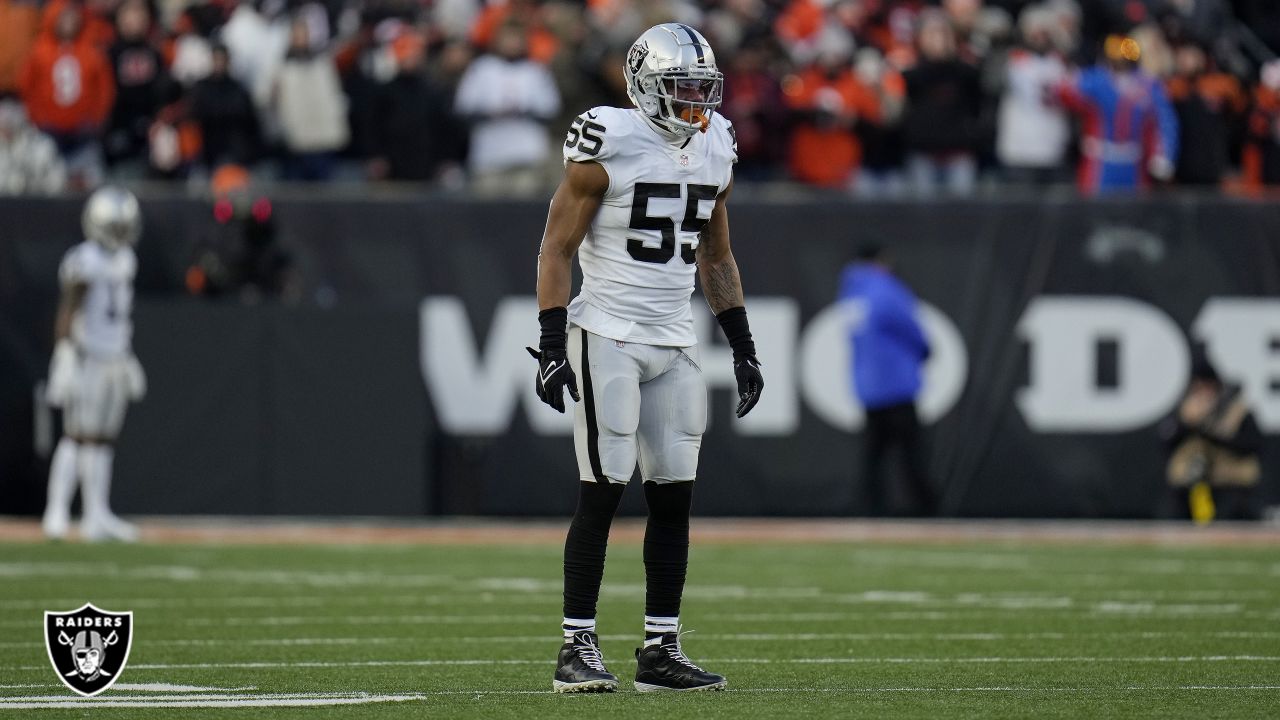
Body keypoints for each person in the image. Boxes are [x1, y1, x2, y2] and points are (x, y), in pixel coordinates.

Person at [530, 23, 762, 694]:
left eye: (702, 89)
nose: (696, 104)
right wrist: (551, 341)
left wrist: (741, 343)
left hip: (675, 338)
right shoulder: (609, 137)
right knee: (602, 491)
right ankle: (577, 645)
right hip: (608, 332)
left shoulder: (716, 144)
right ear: (643, 86)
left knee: (673, 500)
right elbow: (556, 247)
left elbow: (715, 255)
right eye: (681, 89)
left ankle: (661, 648)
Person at [43, 186, 147, 542]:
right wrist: (65, 353)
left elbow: (121, 317)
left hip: (114, 356)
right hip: (86, 355)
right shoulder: (84, 260)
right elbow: (68, 309)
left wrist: (127, 353)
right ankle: (56, 511)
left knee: (103, 439)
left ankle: (95, 515)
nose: (121, 234)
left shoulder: (127, 259)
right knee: (77, 434)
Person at [838, 244, 936, 517]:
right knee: (911, 453)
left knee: (874, 456)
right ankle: (928, 509)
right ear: (880, 261)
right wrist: (926, 351)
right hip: (897, 385)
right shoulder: (887, 290)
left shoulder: (851, 295)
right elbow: (911, 329)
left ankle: (871, 508)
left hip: (869, 388)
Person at [1159, 358, 1262, 522]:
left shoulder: (1236, 411)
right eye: (1198, 387)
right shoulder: (1185, 410)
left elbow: (1252, 445)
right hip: (1189, 488)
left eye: (1208, 387)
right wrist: (1187, 424)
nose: (1203, 393)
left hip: (1229, 486)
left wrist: (1208, 430)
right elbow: (1165, 443)